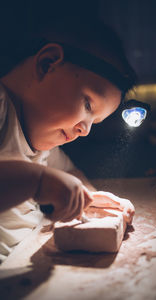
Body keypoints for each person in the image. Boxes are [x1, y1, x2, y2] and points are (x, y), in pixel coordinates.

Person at [0, 16, 136, 262]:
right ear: (47, 64)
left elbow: (69, 171)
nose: (85, 130)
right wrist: (37, 181)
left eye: (94, 122)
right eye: (87, 104)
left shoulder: (42, 145)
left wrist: (88, 197)